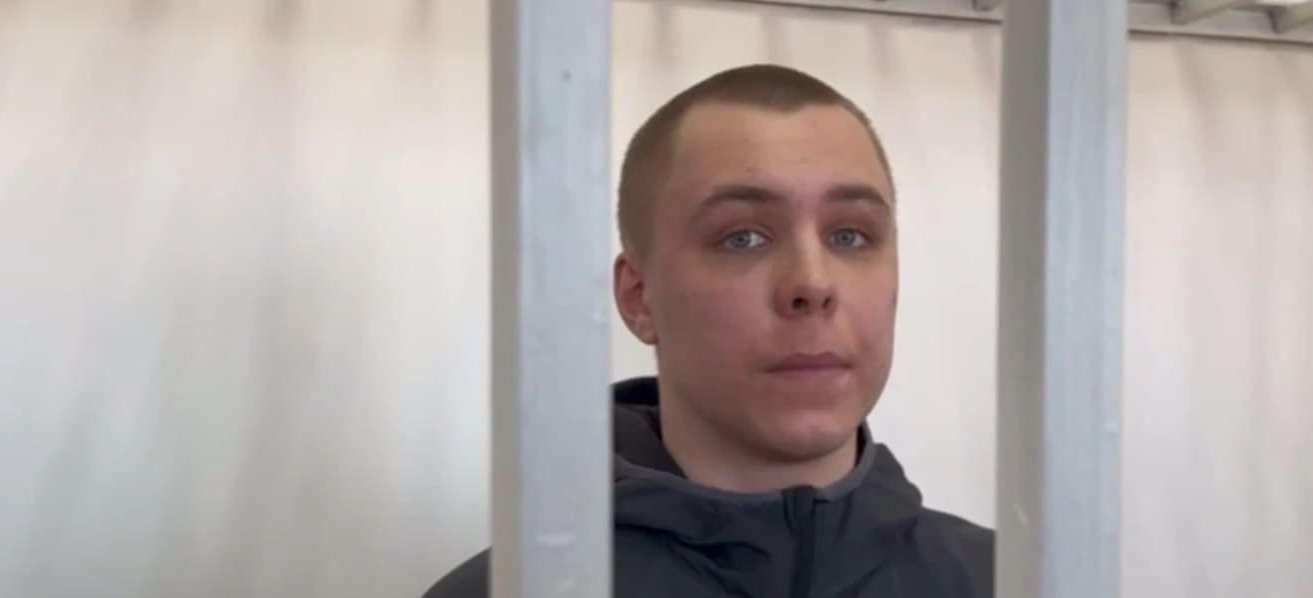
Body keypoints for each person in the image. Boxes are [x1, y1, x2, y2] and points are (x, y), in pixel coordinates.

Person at [425, 64, 993, 598]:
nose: (812, 283)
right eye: (742, 237)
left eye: (849, 235)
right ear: (637, 296)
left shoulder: (1018, 579)